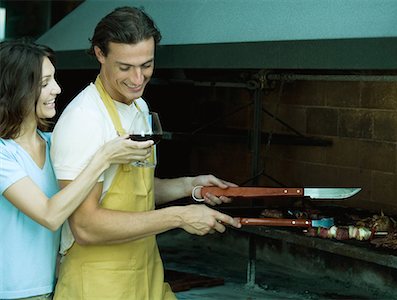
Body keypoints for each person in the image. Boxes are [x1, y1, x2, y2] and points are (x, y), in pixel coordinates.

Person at [50, 6, 241, 300]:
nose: (138, 78)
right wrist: (179, 217)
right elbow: (86, 227)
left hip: (146, 272)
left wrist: (191, 187)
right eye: (125, 67)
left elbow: (136, 190)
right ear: (100, 54)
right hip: (99, 282)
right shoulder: (85, 119)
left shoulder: (139, 108)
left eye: (147, 65)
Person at [0, 39, 154, 299]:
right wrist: (103, 158)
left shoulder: (51, 143)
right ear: (17, 90)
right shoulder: (4, 154)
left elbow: (88, 194)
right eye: (44, 83)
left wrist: (189, 187)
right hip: (12, 291)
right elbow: (50, 215)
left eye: (54, 79)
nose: (57, 89)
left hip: (53, 284)